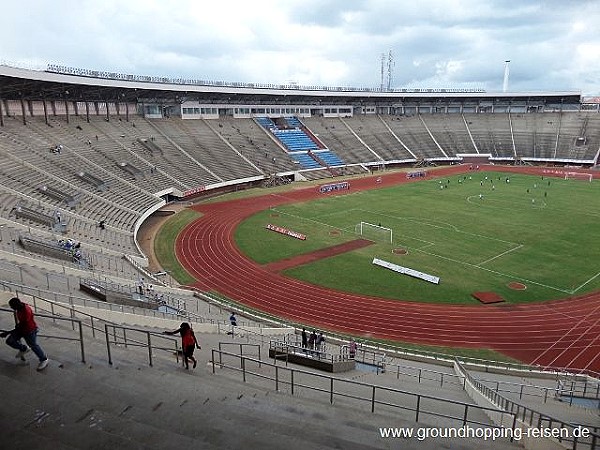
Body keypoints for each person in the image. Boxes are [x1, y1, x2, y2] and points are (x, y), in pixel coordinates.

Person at [1, 297, 49, 371]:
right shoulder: (20, 307)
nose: (11, 308)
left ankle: (44, 359)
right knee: (10, 341)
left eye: (12, 306)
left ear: (16, 305)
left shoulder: (26, 312)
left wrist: (7, 333)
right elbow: (21, 326)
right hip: (22, 328)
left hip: (29, 330)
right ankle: (24, 348)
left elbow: (23, 325)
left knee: (33, 345)